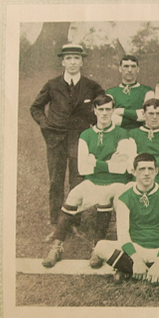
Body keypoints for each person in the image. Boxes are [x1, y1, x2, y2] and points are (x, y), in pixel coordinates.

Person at [41, 94, 132, 269]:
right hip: (93, 181)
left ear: (113, 111)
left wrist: (95, 162)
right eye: (101, 109)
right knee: (73, 195)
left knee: (106, 197)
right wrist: (109, 163)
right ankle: (56, 247)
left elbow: (121, 168)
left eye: (108, 109)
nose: (104, 113)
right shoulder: (86, 134)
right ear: (94, 111)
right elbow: (83, 169)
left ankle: (97, 249)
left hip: (116, 182)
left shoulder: (122, 134)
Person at [91, 153, 159, 285]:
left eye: (150, 169)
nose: (146, 173)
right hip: (135, 247)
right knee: (100, 247)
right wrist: (136, 259)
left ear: (156, 171)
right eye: (142, 169)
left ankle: (127, 270)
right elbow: (123, 236)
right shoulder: (125, 197)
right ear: (134, 172)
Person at [30, 43, 105, 225]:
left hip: (80, 139)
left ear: (82, 62)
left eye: (76, 58)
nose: (72, 62)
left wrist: (94, 127)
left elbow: (102, 108)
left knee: (77, 180)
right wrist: (45, 124)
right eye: (68, 58)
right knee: (56, 180)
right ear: (62, 62)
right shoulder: (52, 84)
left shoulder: (91, 86)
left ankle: (73, 220)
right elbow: (36, 108)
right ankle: (56, 221)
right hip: (55, 139)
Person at [127, 98, 159, 188]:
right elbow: (131, 163)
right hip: (138, 181)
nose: (154, 117)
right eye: (151, 113)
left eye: (158, 113)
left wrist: (141, 159)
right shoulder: (133, 133)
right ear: (143, 114)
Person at [106, 55, 155, 130]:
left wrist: (120, 111)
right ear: (120, 69)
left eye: (133, 66)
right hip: (117, 134)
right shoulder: (110, 93)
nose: (129, 70)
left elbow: (149, 115)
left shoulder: (147, 91)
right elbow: (108, 118)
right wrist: (137, 116)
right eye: (126, 66)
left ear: (138, 69)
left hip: (140, 133)